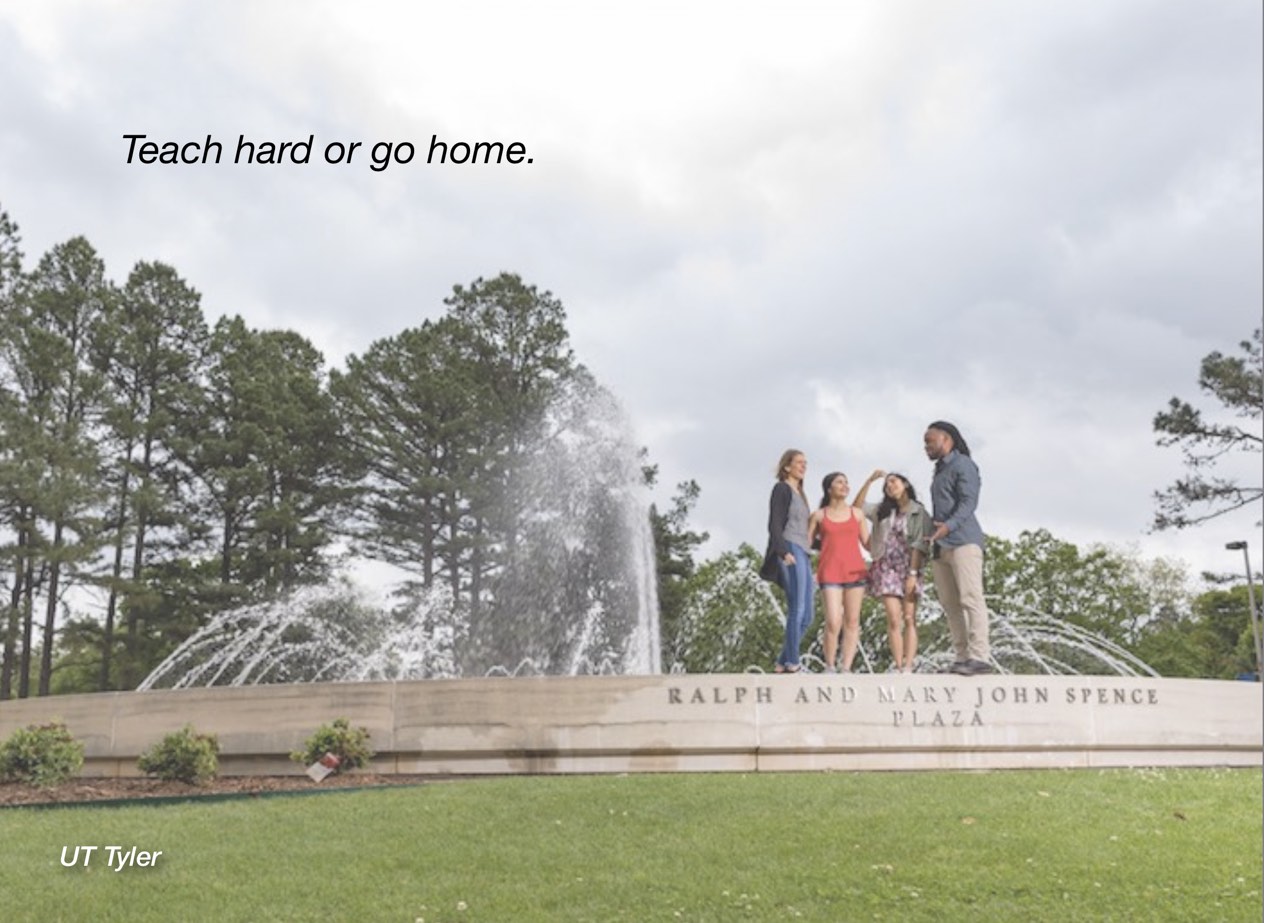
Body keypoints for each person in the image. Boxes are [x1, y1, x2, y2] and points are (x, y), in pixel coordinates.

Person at [923, 421, 991, 675]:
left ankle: (980, 656)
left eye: (930, 441)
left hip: (963, 540)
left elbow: (968, 503)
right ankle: (962, 657)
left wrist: (948, 527)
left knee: (970, 598)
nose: (926, 447)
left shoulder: (963, 465)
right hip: (941, 546)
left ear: (946, 439)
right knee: (950, 604)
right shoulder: (939, 471)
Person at [853, 470, 931, 672]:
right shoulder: (882, 510)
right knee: (894, 617)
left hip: (909, 566)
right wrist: (869, 481)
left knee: (909, 617)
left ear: (905, 484)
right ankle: (898, 665)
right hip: (885, 566)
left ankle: (908, 666)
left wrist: (913, 574)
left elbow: (919, 545)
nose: (890, 486)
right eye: (886, 485)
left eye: (894, 482)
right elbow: (857, 507)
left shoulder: (918, 511)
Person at [807, 472, 869, 673]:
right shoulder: (818, 515)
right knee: (833, 621)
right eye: (839, 482)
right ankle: (830, 665)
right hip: (829, 572)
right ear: (829, 488)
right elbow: (806, 545)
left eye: (846, 482)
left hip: (855, 572)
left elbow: (868, 544)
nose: (845, 486)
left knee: (852, 621)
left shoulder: (857, 514)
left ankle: (846, 667)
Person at [759, 449, 814, 673]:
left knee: (808, 616)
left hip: (804, 552)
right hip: (790, 549)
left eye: (805, 463)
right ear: (787, 467)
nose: (803, 466)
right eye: (799, 462)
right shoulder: (781, 489)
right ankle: (793, 663)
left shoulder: (801, 493)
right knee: (797, 608)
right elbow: (774, 524)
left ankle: (782, 663)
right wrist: (783, 552)